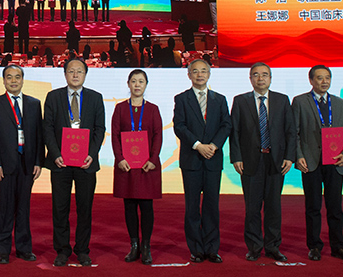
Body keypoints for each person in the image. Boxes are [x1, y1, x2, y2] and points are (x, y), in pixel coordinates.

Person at [42, 58, 106, 267]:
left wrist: (92, 154)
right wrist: (55, 154)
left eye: (79, 71)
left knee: (84, 208)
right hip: (60, 162)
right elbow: (47, 128)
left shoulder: (96, 98)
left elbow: (100, 129)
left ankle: (82, 250)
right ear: (65, 74)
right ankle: (62, 250)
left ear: (85, 74)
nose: (75, 75)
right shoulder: (53, 97)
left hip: (86, 163)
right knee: (60, 208)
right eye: (71, 71)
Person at [229, 63, 295, 262]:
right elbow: (235, 132)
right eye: (256, 75)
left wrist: (289, 157)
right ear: (250, 79)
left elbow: (290, 131)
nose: (260, 79)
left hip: (276, 161)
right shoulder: (240, 101)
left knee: (274, 207)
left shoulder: (282, 100)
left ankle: (273, 247)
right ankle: (254, 247)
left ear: (270, 78)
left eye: (265, 75)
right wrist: (236, 157)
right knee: (252, 208)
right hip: (250, 161)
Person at [292, 65, 343, 262]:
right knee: (313, 207)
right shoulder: (300, 101)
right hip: (310, 161)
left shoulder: (340, 103)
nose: (324, 81)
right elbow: (294, 131)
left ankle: (338, 246)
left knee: (335, 207)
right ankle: (314, 246)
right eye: (320, 78)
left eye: (327, 77)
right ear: (311, 80)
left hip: (335, 161)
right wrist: (298, 156)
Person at [173, 59, 231, 263]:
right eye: (195, 71)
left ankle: (212, 248)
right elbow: (179, 126)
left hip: (213, 158)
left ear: (209, 74)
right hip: (192, 160)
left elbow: (226, 125)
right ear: (189, 75)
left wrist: (214, 145)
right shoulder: (182, 99)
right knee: (192, 207)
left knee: (212, 206)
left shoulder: (220, 99)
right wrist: (198, 145)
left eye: (204, 71)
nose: (200, 75)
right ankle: (196, 249)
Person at [111, 69, 162, 265]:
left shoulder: (153, 109)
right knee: (129, 205)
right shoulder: (120, 109)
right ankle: (134, 245)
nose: (137, 85)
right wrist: (119, 158)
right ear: (128, 84)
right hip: (126, 166)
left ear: (146, 84)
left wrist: (153, 159)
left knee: (147, 206)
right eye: (134, 81)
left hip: (147, 166)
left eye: (141, 81)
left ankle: (146, 246)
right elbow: (115, 135)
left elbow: (158, 135)